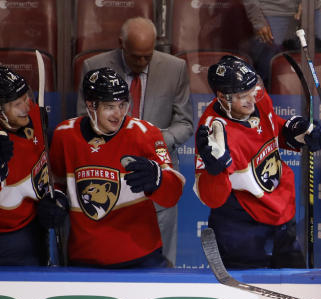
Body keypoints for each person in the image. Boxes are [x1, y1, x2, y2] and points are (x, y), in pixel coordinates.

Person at [78, 17, 193, 267]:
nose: (142, 63)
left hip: (159, 176)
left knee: (163, 265)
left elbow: (185, 123)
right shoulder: (93, 67)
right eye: (135, 57)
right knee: (109, 261)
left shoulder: (176, 69)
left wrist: (154, 139)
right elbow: (83, 123)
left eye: (147, 56)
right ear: (121, 45)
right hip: (108, 181)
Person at [193, 55, 321, 269]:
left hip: (279, 211)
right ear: (222, 97)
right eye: (243, 96)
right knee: (249, 293)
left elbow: (271, 128)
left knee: (295, 288)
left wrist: (295, 133)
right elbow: (211, 197)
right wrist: (215, 170)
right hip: (241, 225)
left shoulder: (257, 98)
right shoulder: (213, 132)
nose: (252, 100)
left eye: (252, 91)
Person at [50, 68, 184, 268]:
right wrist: (57, 199)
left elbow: (172, 194)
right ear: (90, 105)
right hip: (85, 259)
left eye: (123, 105)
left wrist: (158, 179)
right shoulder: (64, 135)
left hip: (141, 258)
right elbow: (57, 182)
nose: (119, 114)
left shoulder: (146, 133)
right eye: (109, 107)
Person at [0, 65, 66, 266]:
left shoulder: (36, 116)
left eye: (26, 98)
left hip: (32, 226)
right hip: (6, 235)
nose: (27, 107)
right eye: (17, 104)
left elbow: (54, 169)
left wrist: (58, 198)